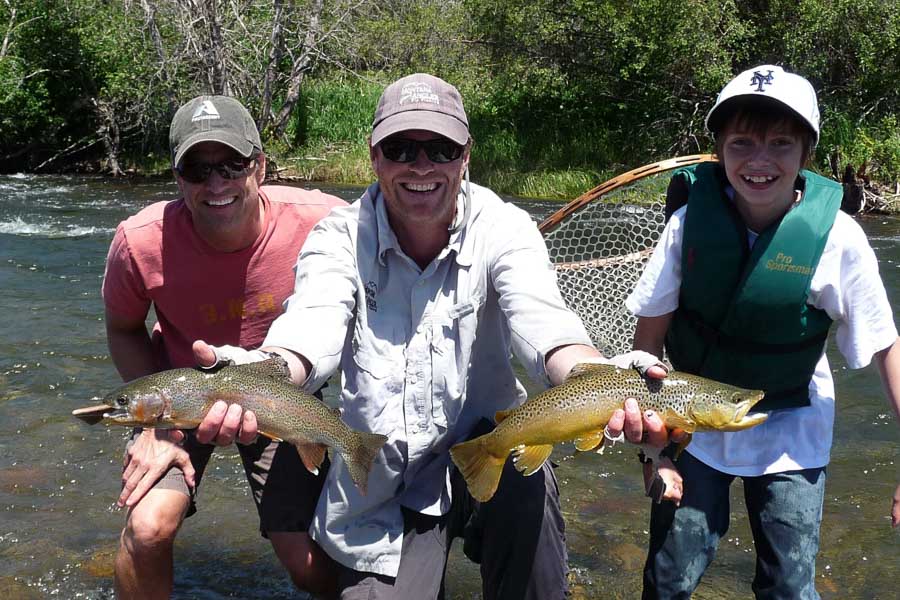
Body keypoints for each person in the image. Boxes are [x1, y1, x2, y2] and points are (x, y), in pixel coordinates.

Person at [192, 73, 674, 600]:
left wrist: (599, 380)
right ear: (374, 157)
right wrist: (259, 376)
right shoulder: (336, 238)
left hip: (496, 452)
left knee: (524, 492)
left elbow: (549, 332)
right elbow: (310, 334)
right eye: (401, 148)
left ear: (465, 155)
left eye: (439, 149)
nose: (421, 166)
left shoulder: (506, 229)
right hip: (384, 480)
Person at [626, 64, 900, 599]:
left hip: (792, 427)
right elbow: (647, 346)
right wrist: (653, 454)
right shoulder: (687, 226)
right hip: (693, 427)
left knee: (788, 587)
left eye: (780, 144)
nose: (759, 161)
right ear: (719, 150)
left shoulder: (838, 240)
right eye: (741, 143)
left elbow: (887, 347)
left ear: (806, 155)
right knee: (667, 580)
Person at [101, 94, 346, 599]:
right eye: (197, 168)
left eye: (232, 164)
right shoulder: (140, 241)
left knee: (309, 567)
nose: (216, 184)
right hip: (181, 396)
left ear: (259, 166)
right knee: (148, 529)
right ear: (177, 177)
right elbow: (124, 328)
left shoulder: (326, 221)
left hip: (282, 391)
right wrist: (153, 427)